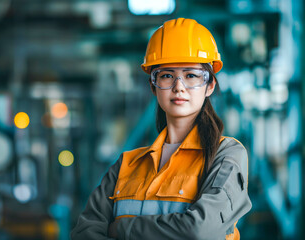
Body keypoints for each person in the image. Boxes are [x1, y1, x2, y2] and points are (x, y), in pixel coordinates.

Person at [71, 18, 252, 240]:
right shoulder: (126, 165)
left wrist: (121, 229)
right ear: (153, 86)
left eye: (191, 76)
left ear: (210, 86)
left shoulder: (225, 155)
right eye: (167, 75)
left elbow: (200, 230)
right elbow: (84, 233)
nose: (179, 87)